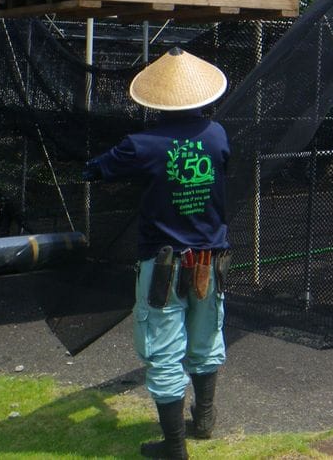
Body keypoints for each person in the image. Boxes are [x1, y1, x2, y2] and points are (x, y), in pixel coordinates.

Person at [85, 47, 231, 459]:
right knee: (205, 340)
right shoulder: (217, 135)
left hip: (164, 266)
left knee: (163, 350)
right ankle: (203, 420)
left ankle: (173, 448)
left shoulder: (142, 144)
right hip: (212, 262)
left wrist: (90, 165)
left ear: (157, 99)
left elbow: (97, 169)